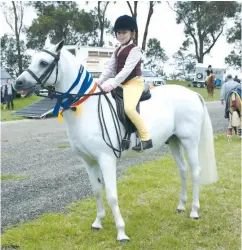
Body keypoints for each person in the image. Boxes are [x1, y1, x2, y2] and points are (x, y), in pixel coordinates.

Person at [97, 15, 153, 151]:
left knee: (129, 109)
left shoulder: (135, 50)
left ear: (132, 33)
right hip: (121, 83)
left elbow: (126, 71)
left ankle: (146, 138)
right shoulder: (117, 49)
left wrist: (111, 84)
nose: (121, 35)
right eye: (118, 32)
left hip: (134, 83)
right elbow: (110, 69)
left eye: (124, 32)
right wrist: (98, 82)